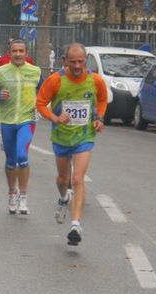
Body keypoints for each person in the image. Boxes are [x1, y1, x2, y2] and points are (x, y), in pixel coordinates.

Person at [36, 42, 107, 246]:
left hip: (84, 136)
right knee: (62, 179)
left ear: (86, 61)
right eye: (73, 62)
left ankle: (75, 225)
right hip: (61, 137)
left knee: (77, 178)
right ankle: (63, 198)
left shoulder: (95, 81)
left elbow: (102, 99)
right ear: (65, 61)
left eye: (81, 62)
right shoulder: (55, 81)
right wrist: (55, 118)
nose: (77, 66)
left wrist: (99, 118)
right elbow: (40, 103)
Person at [0, 39, 42, 215]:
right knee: (11, 162)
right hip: (7, 121)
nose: (18, 54)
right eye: (15, 51)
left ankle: (23, 196)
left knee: (22, 155)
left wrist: (42, 108)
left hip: (27, 120)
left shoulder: (35, 72)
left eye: (21, 51)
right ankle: (12, 192)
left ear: (26, 53)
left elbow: (46, 91)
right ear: (9, 53)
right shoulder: (0, 72)